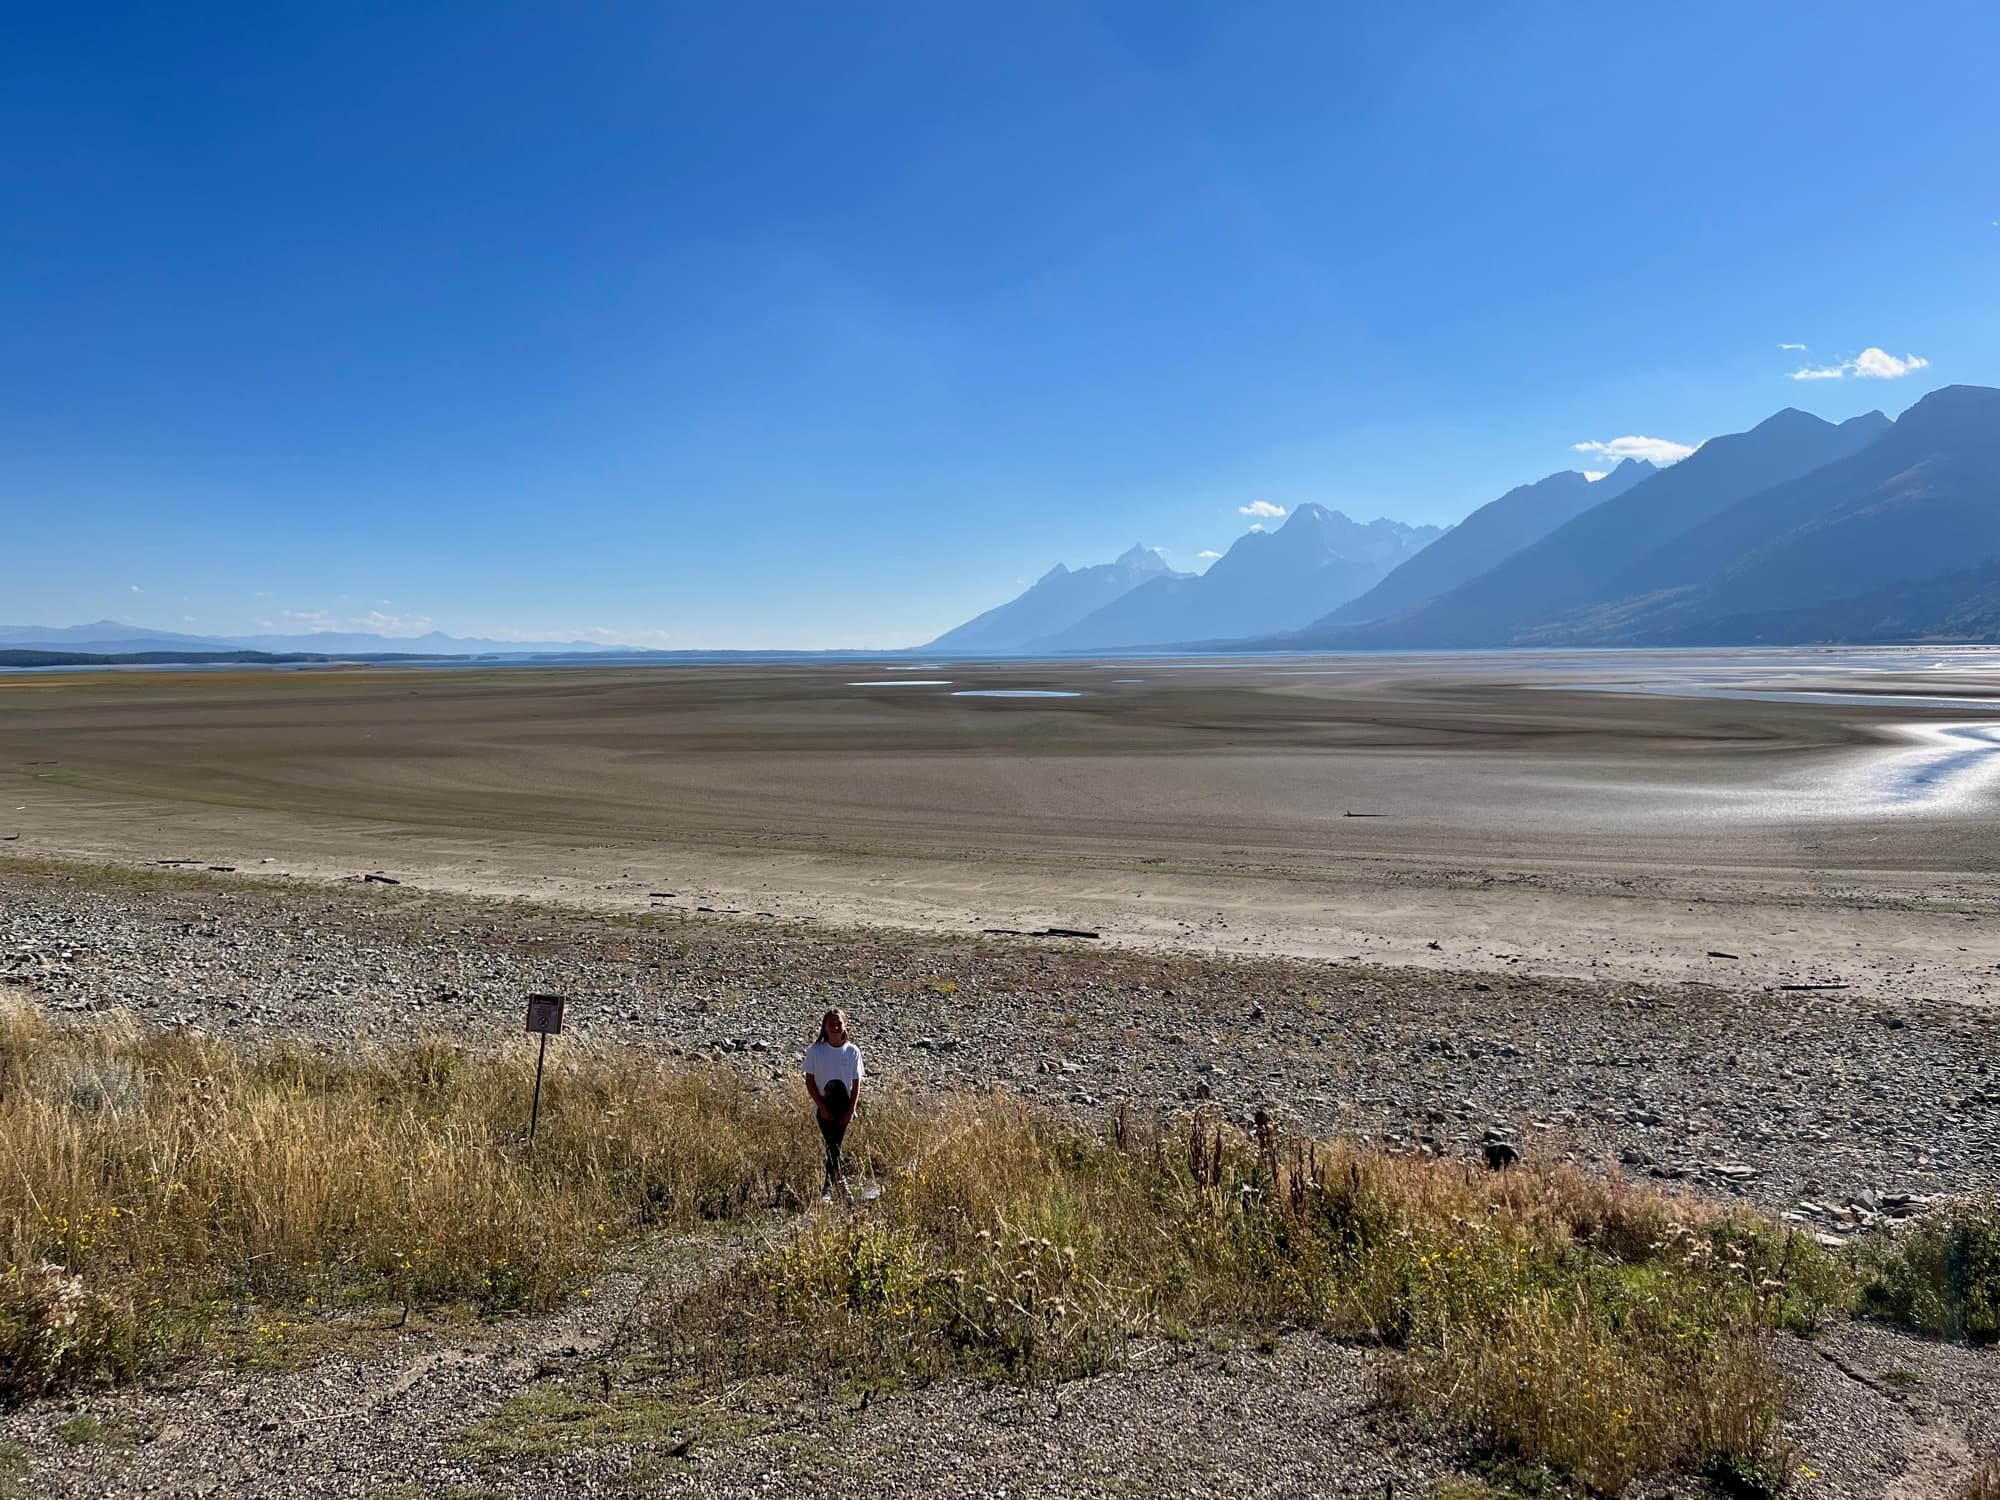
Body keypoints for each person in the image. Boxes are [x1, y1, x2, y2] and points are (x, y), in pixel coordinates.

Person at [803, 1008, 864, 1202]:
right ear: (825, 1028)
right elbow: (810, 1081)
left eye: (839, 1023)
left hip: (844, 1109)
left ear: (845, 1026)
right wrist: (821, 1106)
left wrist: (851, 1110)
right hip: (824, 1109)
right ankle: (837, 1187)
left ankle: (830, 1188)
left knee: (834, 1148)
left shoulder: (852, 1051)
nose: (835, 1027)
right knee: (833, 1147)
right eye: (831, 1024)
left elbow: (856, 1084)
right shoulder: (816, 1051)